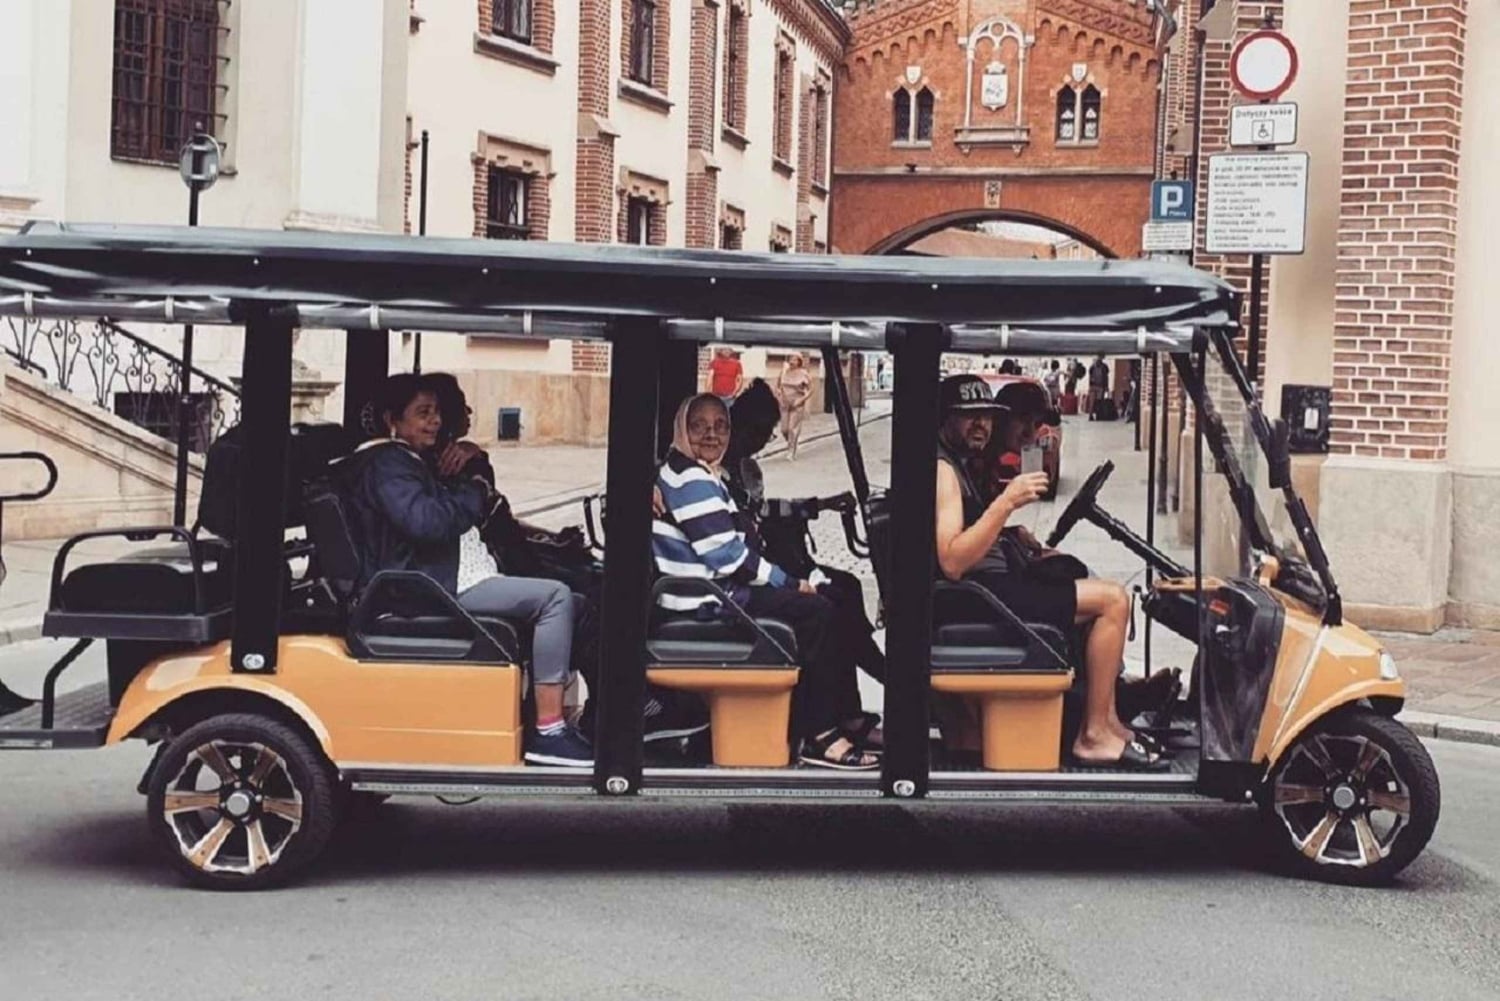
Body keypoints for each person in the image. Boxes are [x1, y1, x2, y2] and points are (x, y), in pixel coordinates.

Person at [337, 374, 592, 767]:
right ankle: (549, 729)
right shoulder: (387, 463)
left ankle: (550, 713)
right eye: (423, 414)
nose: (435, 422)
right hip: (433, 586)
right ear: (393, 420)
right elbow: (427, 522)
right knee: (556, 596)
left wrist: (473, 466)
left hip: (444, 576)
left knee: (575, 600)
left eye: (436, 413)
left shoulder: (405, 459)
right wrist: (472, 488)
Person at [932, 374, 1166, 770]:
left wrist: (1010, 533)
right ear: (945, 419)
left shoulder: (960, 465)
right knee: (1112, 600)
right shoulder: (943, 472)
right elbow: (953, 561)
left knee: (1075, 577)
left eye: (986, 417)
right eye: (968, 416)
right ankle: (1092, 735)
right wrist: (1005, 503)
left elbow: (969, 533)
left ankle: (1108, 719)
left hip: (989, 587)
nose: (981, 425)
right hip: (980, 596)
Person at [653, 393, 880, 770]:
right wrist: (790, 583)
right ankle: (821, 734)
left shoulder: (700, 471)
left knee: (832, 596)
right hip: (713, 599)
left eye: (720, 426)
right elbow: (728, 557)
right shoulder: (692, 479)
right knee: (818, 613)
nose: (712, 434)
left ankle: (844, 715)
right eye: (700, 426)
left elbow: (749, 524)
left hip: (721, 591)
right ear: (681, 430)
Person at [724, 380, 886, 695]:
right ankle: (846, 703)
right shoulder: (714, 473)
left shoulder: (745, 469)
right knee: (829, 601)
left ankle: (859, 693)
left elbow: (763, 511)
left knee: (848, 586)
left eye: (765, 434)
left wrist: (816, 505)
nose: (758, 442)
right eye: (756, 432)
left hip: (762, 563)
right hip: (746, 576)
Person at [775, 352, 813, 461]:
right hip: (784, 403)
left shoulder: (804, 373)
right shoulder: (784, 372)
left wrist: (802, 399)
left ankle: (791, 451)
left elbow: (811, 389)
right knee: (784, 429)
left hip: (797, 403)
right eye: (791, 359)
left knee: (792, 428)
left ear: (799, 362)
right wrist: (778, 396)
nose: (792, 362)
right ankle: (791, 443)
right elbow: (777, 386)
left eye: (795, 360)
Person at [1086, 354, 1110, 420]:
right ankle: (1094, 415)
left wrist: (1106, 386)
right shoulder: (1094, 367)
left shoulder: (1102, 367)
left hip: (1098, 386)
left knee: (1097, 401)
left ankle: (1097, 415)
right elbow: (1105, 377)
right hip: (1097, 386)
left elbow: (1106, 377)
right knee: (1095, 401)